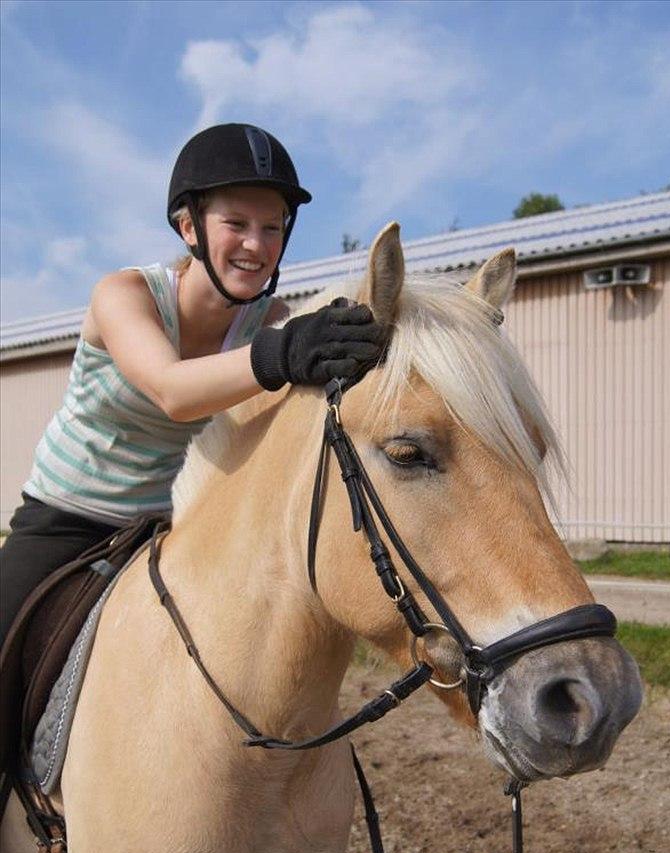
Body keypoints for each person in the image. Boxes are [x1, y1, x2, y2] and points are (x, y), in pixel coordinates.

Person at [0, 123, 388, 651]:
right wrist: (284, 354)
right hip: (67, 519)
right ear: (188, 227)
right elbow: (173, 392)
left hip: (177, 530)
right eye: (236, 223)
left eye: (272, 228)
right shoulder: (124, 294)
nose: (256, 244)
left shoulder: (272, 320)